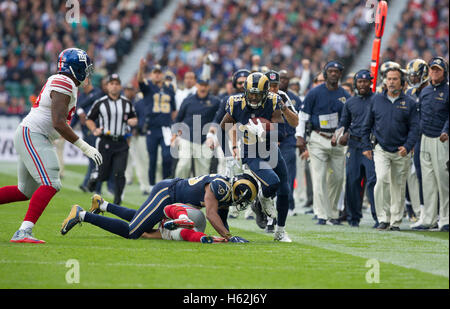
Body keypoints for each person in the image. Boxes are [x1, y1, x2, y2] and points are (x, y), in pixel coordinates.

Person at [0, 48, 102, 243]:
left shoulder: (63, 81)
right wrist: (85, 147)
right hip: (34, 134)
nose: (87, 73)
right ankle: (24, 231)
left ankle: (24, 231)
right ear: (75, 68)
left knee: (24, 191)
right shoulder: (64, 81)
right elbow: (58, 122)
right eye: (84, 68)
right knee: (52, 182)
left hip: (32, 134)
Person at [61, 173, 258, 242]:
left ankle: (102, 205)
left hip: (173, 198)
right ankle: (83, 214)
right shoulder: (221, 187)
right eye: (243, 199)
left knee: (142, 220)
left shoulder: (227, 189)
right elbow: (211, 214)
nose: (241, 203)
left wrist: (227, 235)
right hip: (167, 193)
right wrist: (230, 238)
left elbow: (221, 218)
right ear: (238, 190)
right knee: (133, 232)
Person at [220, 72, 292, 242]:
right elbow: (224, 125)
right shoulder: (235, 103)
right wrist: (244, 132)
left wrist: (265, 131)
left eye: (257, 94)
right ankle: (262, 197)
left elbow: (281, 134)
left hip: (271, 149)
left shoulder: (273, 101)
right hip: (250, 152)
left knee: (285, 190)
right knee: (272, 182)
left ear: (265, 93)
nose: (253, 97)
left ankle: (280, 231)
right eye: (250, 93)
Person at [361, 65, 420, 231]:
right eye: (389, 79)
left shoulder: (409, 103)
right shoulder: (376, 100)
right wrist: (366, 145)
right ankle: (383, 218)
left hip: (401, 150)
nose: (392, 82)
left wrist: (408, 146)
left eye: (395, 79)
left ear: (401, 83)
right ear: (385, 82)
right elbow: (367, 125)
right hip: (381, 149)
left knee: (398, 186)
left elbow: (415, 128)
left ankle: (395, 221)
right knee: (381, 180)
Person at [297, 60, 351, 225]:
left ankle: (333, 212)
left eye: (337, 71)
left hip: (337, 138)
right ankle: (321, 214)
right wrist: (300, 136)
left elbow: (350, 120)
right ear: (325, 73)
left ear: (340, 74)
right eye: (331, 71)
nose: (333, 73)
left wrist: (346, 134)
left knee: (338, 178)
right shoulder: (314, 93)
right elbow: (303, 116)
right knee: (319, 177)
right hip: (318, 137)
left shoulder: (345, 96)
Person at [332, 70, 377, 227]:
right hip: (354, 145)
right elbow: (343, 122)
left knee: (373, 181)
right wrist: (336, 135)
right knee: (352, 181)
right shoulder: (350, 102)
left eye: (366, 81)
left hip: (371, 146)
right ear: (356, 83)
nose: (363, 84)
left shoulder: (377, 100)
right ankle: (353, 217)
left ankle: (378, 217)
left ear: (370, 82)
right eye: (360, 81)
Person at [85, 74, 137, 205]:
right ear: (107, 86)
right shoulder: (100, 103)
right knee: (103, 173)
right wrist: (94, 129)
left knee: (120, 172)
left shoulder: (126, 103)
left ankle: (117, 200)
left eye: (116, 83)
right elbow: (89, 118)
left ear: (120, 86)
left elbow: (134, 118)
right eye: (111, 83)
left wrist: (132, 121)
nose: (114, 86)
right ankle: (95, 177)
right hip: (105, 141)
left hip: (121, 142)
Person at [414, 57, 449, 231]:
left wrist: (446, 131)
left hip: (441, 139)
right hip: (424, 138)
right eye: (432, 69)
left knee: (444, 180)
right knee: (427, 180)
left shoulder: (448, 90)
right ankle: (428, 218)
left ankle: (446, 218)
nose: (434, 72)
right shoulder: (425, 91)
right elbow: (419, 116)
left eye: (438, 70)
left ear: (444, 73)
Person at [265, 70, 299, 220]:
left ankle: (282, 211)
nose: (273, 89)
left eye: (275, 86)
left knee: (284, 178)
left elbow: (295, 121)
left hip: (285, 142)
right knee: (266, 179)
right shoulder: (255, 97)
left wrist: (284, 108)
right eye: (269, 86)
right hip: (262, 143)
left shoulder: (283, 96)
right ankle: (262, 206)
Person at [137, 60, 177, 186]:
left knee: (167, 157)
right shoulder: (148, 86)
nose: (157, 75)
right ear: (152, 74)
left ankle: (166, 183)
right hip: (152, 128)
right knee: (152, 159)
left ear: (162, 74)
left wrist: (172, 124)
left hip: (166, 128)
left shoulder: (169, 88)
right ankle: (152, 185)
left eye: (159, 73)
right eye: (155, 73)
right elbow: (139, 81)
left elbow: (174, 109)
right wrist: (141, 69)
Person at [173, 78, 220, 178]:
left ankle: (200, 191)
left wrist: (214, 135)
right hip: (187, 137)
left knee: (203, 171)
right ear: (197, 86)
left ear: (208, 87)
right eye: (201, 85)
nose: (203, 88)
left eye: (205, 85)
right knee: (184, 164)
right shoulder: (188, 100)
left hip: (204, 139)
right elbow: (178, 118)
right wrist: (174, 135)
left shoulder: (215, 101)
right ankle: (178, 186)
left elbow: (219, 118)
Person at [405, 58, 430, 223]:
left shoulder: (431, 90)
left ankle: (433, 212)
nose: (412, 79)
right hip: (414, 140)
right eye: (411, 76)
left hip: (430, 138)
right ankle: (419, 210)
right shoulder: (409, 94)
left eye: (415, 75)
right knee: (416, 177)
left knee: (429, 177)